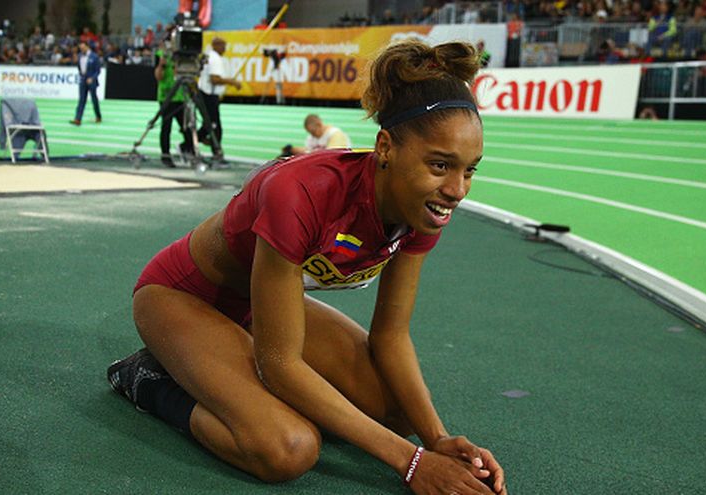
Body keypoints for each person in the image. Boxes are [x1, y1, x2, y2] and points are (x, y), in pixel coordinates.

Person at [106, 39, 507, 494]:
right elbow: (279, 364)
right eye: (440, 165)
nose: (457, 190)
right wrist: (410, 461)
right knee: (288, 447)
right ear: (385, 147)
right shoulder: (300, 192)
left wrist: (436, 438)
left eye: (469, 170)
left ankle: (225, 369)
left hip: (258, 308)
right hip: (183, 296)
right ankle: (151, 380)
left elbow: (391, 337)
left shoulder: (423, 208)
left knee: (397, 412)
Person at [197, 36, 241, 166]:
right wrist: (232, 82)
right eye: (223, 46)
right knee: (215, 126)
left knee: (209, 124)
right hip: (208, 95)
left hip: (205, 94)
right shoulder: (215, 58)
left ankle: (188, 144)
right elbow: (214, 79)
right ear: (216, 45)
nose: (225, 49)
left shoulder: (210, 56)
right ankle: (217, 154)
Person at [154, 46, 193, 167]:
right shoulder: (160, 54)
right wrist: (161, 65)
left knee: (187, 128)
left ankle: (189, 150)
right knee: (166, 127)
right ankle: (165, 155)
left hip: (181, 96)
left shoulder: (181, 54)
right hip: (166, 96)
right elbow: (158, 77)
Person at [282, 114, 351, 156]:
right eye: (310, 133)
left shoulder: (335, 134)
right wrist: (294, 150)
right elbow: (309, 151)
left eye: (313, 132)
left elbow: (332, 155)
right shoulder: (311, 137)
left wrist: (307, 152)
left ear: (319, 124)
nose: (312, 135)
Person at [69, 41, 102, 126]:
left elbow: (98, 70)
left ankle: (98, 116)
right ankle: (78, 119)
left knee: (94, 99)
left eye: (83, 48)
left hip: (92, 81)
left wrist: (92, 78)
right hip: (83, 80)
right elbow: (79, 67)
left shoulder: (94, 56)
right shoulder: (80, 56)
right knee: (81, 99)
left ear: (87, 47)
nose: (82, 49)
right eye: (81, 48)